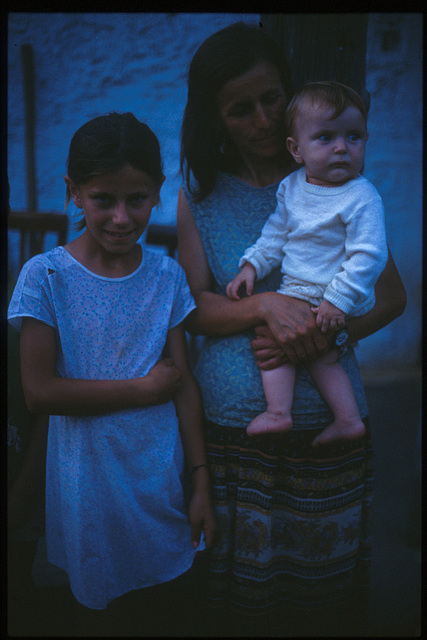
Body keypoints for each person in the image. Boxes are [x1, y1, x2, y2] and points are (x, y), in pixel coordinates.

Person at [178, 22, 406, 636]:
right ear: (215, 117)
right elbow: (193, 306)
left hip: (322, 440)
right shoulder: (200, 192)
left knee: (318, 605)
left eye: (270, 98)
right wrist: (264, 307)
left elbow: (390, 297)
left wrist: (326, 332)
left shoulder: (334, 181)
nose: (259, 118)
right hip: (235, 443)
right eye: (239, 108)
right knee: (242, 607)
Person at [8, 112, 215, 636]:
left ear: (157, 192)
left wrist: (200, 480)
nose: (122, 218)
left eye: (138, 199)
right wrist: (140, 389)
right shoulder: (47, 276)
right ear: (74, 192)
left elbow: (183, 382)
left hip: (158, 480)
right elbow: (39, 391)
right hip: (90, 490)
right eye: (103, 199)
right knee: (100, 612)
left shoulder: (167, 276)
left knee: (165, 605)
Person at [226, 81, 388, 445]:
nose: (342, 148)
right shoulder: (292, 187)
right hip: (297, 289)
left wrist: (337, 301)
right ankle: (284, 413)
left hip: (335, 295)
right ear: (295, 149)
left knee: (318, 356)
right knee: (279, 344)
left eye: (354, 137)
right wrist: (252, 265)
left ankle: (338, 418)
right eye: (326, 138)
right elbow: (276, 235)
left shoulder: (362, 195)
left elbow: (369, 254)